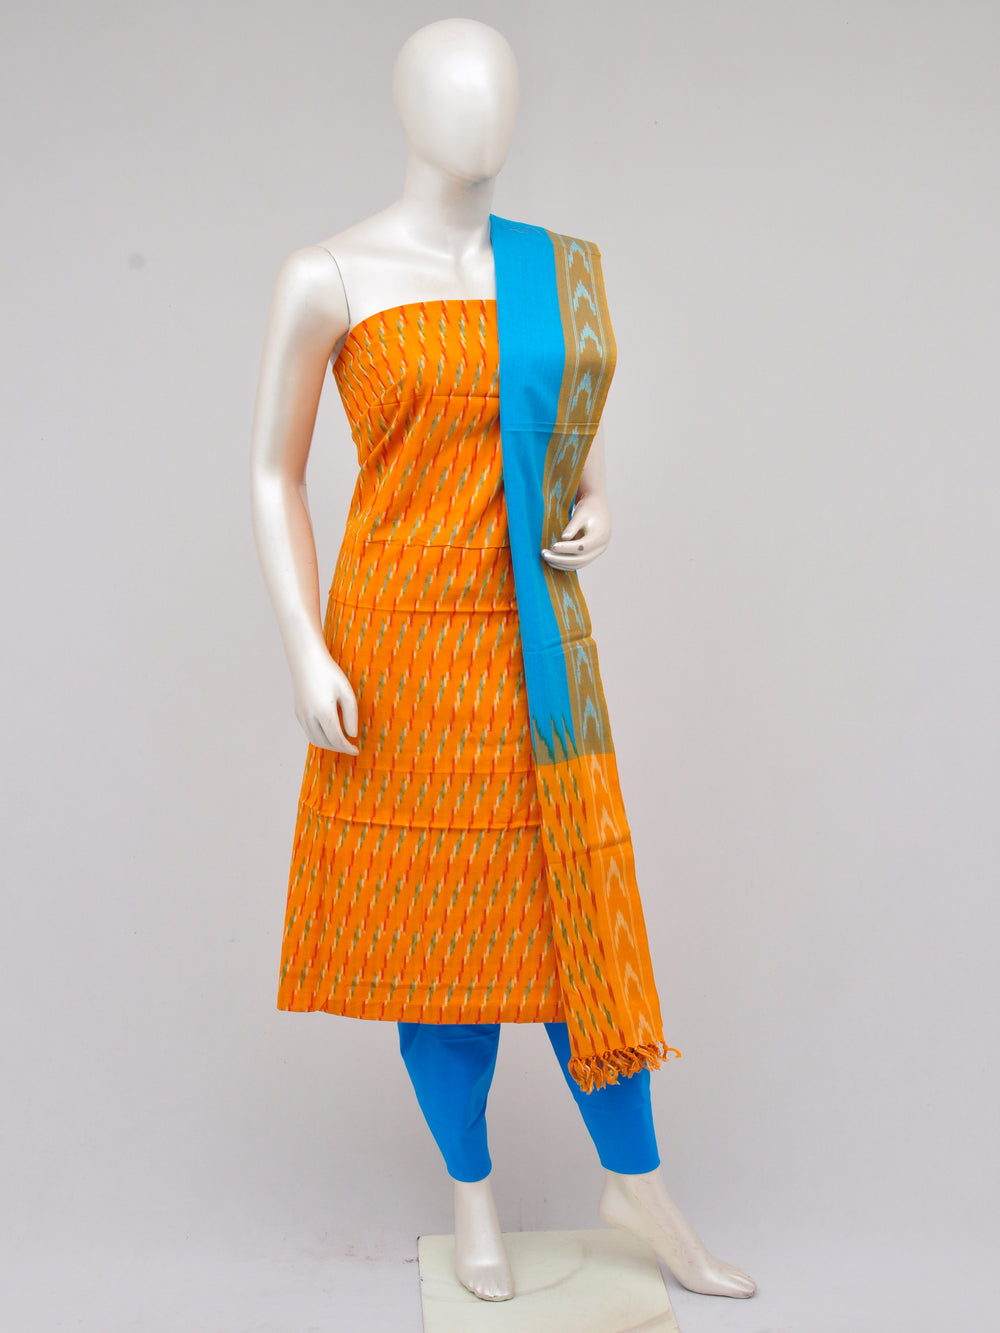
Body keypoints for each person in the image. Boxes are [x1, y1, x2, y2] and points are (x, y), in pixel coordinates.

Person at [250, 16, 756, 1305]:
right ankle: (470, 1194)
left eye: (499, 90)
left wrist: (595, 501)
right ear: (407, 106)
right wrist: (305, 647)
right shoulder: (329, 273)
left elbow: (562, 438)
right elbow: (272, 473)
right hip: (403, 651)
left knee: (581, 916)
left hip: (542, 654)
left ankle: (637, 1181)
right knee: (441, 940)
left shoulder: (556, 271)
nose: (480, 114)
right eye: (453, 90)